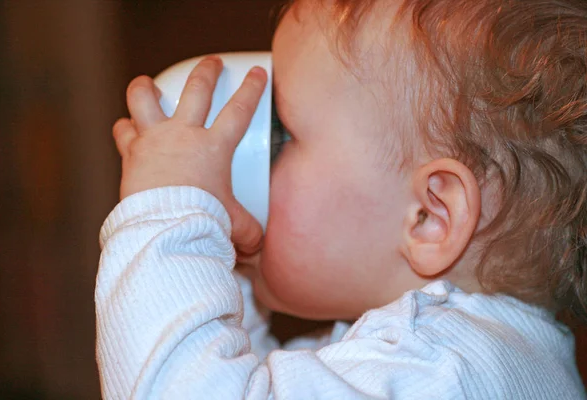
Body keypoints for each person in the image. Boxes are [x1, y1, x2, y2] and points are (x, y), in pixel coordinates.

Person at [95, 0, 587, 398]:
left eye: (282, 130)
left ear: (429, 216)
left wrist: (169, 211)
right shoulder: (469, 359)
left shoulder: (441, 376)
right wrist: (219, 252)